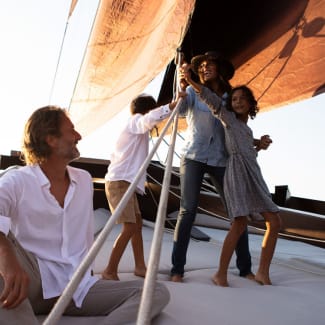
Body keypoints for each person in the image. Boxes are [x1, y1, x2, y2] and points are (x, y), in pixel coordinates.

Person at [0, 106, 170, 324]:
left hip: (77, 287)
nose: (78, 136)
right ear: (51, 139)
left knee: (155, 291)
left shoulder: (83, 181)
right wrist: (7, 259)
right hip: (29, 281)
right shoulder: (18, 180)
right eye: (71, 130)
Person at [181, 66, 282, 286]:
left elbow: (247, 151)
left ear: (251, 104)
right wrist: (191, 81)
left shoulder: (247, 130)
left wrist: (260, 146)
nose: (237, 102)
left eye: (242, 99)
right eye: (234, 98)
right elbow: (211, 100)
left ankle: (263, 272)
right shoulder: (228, 118)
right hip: (236, 174)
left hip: (253, 174)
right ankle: (221, 273)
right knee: (238, 223)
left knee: (274, 220)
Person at [171, 51, 257, 283]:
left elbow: (238, 127)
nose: (204, 69)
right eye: (201, 67)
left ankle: (245, 268)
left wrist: (258, 142)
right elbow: (177, 112)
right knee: (187, 211)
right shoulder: (191, 91)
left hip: (221, 158)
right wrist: (180, 89)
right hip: (193, 156)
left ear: (219, 68)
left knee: (237, 212)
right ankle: (177, 270)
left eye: (209, 65)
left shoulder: (231, 97)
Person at [102, 93, 184, 281]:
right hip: (119, 183)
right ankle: (109, 270)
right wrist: (170, 107)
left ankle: (140, 267)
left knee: (136, 225)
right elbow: (146, 120)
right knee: (130, 227)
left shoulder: (138, 129)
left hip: (125, 183)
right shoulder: (135, 121)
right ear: (148, 110)